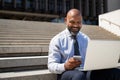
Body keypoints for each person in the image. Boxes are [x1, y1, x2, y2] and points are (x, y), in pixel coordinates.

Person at [48, 8, 120, 80]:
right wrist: (65, 66)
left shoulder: (86, 39)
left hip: (84, 71)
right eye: (72, 22)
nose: (76, 25)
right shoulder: (57, 40)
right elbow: (51, 66)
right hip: (67, 72)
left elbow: (92, 59)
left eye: (78, 22)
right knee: (79, 76)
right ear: (65, 21)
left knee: (115, 72)